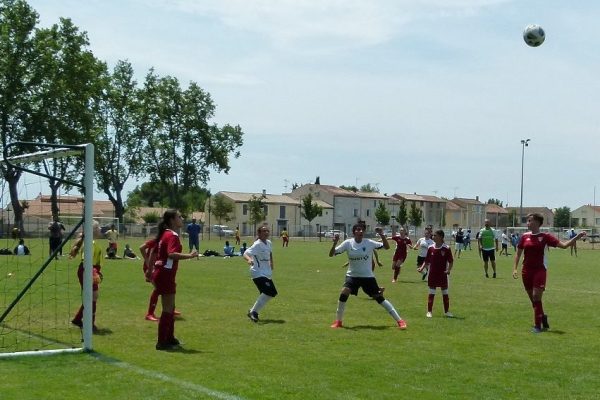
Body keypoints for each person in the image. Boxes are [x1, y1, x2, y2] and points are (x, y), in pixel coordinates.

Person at [512, 213, 586, 333]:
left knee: (536, 296)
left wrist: (577, 237)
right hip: (526, 271)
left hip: (540, 270)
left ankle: (537, 326)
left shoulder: (545, 237)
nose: (527, 223)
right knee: (534, 301)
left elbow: (564, 245)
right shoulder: (524, 237)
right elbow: (518, 253)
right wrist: (515, 268)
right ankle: (542, 317)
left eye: (529, 221)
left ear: (536, 222)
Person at [328, 224, 407, 330]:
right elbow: (331, 254)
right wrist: (334, 243)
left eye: (362, 230)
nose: (360, 231)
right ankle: (338, 321)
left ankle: (400, 320)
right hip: (352, 276)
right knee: (344, 292)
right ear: (354, 232)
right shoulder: (348, 243)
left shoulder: (369, 243)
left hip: (367, 277)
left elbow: (387, 247)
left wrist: (382, 235)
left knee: (379, 298)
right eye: (358, 230)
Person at [152, 209, 198, 350]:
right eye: (179, 216)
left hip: (162, 273)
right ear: (172, 220)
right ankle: (162, 342)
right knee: (167, 308)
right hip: (165, 274)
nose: (181, 218)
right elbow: (171, 254)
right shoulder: (171, 235)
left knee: (170, 308)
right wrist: (190, 255)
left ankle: (170, 338)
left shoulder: (165, 234)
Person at [70, 220, 103, 333]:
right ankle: (90, 324)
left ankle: (78, 319)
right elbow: (86, 260)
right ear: (93, 231)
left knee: (91, 296)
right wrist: (94, 273)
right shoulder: (90, 243)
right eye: (98, 228)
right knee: (93, 296)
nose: (100, 229)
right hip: (88, 270)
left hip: (89, 270)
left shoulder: (91, 242)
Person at [243, 225, 277, 323]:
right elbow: (245, 253)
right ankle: (254, 312)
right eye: (264, 231)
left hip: (266, 272)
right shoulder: (257, 244)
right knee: (268, 292)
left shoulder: (269, 243)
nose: (266, 233)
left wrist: (271, 262)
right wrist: (249, 260)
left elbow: (270, 253)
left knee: (272, 293)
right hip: (257, 273)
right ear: (259, 233)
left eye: (267, 231)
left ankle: (252, 311)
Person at [417, 230, 454, 318]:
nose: (433, 237)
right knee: (431, 292)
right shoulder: (431, 248)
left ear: (441, 237)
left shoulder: (446, 248)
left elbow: (451, 261)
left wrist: (448, 270)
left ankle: (447, 311)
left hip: (443, 274)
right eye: (433, 235)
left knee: (445, 292)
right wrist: (421, 268)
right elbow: (427, 260)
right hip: (432, 274)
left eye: (435, 235)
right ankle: (429, 312)